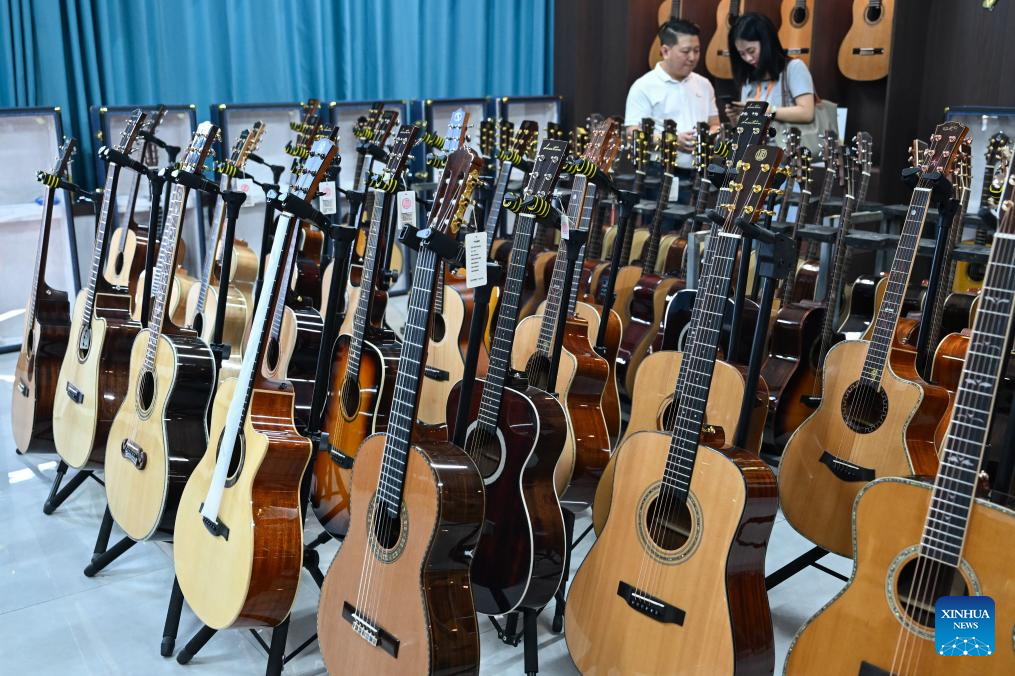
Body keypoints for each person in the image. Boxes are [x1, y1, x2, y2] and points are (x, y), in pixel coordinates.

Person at [625, 19, 720, 172]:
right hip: (658, 170)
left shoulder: (704, 84)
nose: (692, 57)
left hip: (701, 170)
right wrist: (671, 141)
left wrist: (710, 136)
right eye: (685, 51)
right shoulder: (643, 86)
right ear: (665, 51)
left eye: (696, 51)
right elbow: (632, 134)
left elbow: (714, 123)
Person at [724, 12, 815, 125]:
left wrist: (763, 110)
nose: (748, 58)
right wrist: (734, 117)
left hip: (787, 136)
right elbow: (745, 128)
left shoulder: (794, 68)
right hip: (757, 137)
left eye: (751, 51)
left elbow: (807, 113)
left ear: (767, 43)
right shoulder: (748, 77)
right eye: (742, 54)